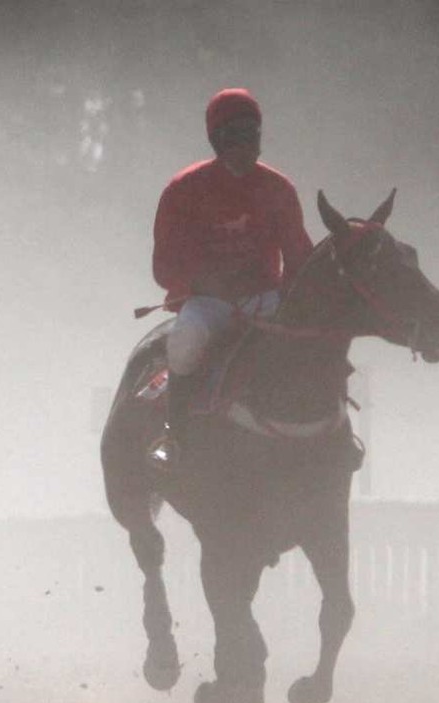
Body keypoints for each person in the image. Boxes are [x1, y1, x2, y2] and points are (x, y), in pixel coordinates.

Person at [149, 87, 315, 468]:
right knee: (185, 342)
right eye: (236, 134)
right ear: (217, 140)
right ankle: (174, 436)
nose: (248, 143)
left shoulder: (279, 188)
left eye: (253, 133)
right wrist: (205, 284)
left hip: (266, 299)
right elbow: (163, 267)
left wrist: (296, 298)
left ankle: (330, 433)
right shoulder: (183, 190)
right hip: (208, 303)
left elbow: (299, 257)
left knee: (309, 339)